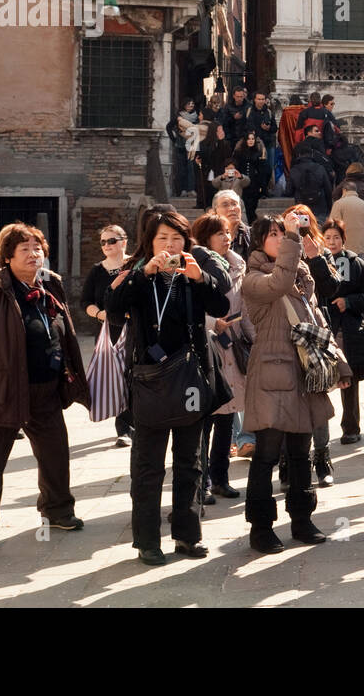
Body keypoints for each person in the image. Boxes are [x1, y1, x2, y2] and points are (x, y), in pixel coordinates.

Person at [105, 210, 231, 565]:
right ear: (150, 242)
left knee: (190, 462)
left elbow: (222, 304)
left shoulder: (193, 271)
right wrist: (143, 275)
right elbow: (112, 309)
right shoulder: (136, 273)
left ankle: (187, 535)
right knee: (148, 466)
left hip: (190, 378)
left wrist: (201, 278)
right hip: (150, 380)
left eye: (176, 238)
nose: (170, 245)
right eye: (163, 238)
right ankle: (147, 540)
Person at [0, 223, 90, 550]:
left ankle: (58, 510)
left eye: (38, 248)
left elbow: (62, 331)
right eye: (25, 249)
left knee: (55, 453)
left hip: (46, 390)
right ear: (8, 256)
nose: (33, 254)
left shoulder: (51, 284)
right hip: (2, 392)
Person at [241, 213, 353, 552]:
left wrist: (342, 368)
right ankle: (261, 528)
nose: (280, 239)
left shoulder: (302, 281)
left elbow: (318, 326)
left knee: (301, 454)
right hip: (272, 376)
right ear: (259, 242)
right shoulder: (253, 279)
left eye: (282, 234)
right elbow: (277, 283)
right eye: (272, 234)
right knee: (267, 454)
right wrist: (293, 237)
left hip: (303, 376)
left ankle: (302, 519)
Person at [192, 213, 250, 501]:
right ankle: (199, 482)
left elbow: (245, 307)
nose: (226, 238)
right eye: (219, 234)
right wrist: (213, 324)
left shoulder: (238, 264)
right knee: (205, 420)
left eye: (227, 233)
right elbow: (190, 310)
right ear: (206, 239)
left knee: (228, 418)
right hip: (207, 347)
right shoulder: (194, 267)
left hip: (233, 347)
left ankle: (220, 478)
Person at [282, 204, 340, 486]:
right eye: (294, 218)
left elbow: (331, 288)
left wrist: (316, 258)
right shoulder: (279, 246)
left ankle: (322, 459)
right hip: (285, 330)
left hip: (316, 332)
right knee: (287, 398)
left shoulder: (321, 249)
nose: (300, 223)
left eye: (305, 218)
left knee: (317, 394)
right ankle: (287, 462)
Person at [321, 218, 364, 444]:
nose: (332, 242)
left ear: (343, 239)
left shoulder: (355, 262)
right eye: (328, 237)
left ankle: (351, 427)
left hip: (348, 330)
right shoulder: (316, 261)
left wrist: (349, 301)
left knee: (349, 381)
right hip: (325, 327)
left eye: (336, 237)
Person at [80, 224, 133, 447]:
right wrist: (101, 314)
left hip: (136, 327)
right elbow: (85, 302)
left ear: (124, 241)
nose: (106, 245)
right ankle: (124, 429)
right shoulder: (97, 270)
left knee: (136, 375)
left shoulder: (136, 265)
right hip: (109, 329)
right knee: (118, 377)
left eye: (111, 240)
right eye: (103, 242)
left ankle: (137, 423)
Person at [289, 126, 335, 220]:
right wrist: (330, 207)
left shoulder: (294, 170)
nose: (319, 133)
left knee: (304, 231)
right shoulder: (320, 168)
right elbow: (328, 189)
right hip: (320, 205)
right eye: (316, 131)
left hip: (301, 206)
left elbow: (289, 190)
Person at [248, 91, 281, 196]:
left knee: (268, 168)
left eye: (262, 99)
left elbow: (275, 128)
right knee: (256, 168)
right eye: (259, 99)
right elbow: (247, 127)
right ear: (255, 100)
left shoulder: (269, 112)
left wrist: (268, 128)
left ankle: (266, 189)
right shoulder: (250, 111)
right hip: (256, 144)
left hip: (268, 143)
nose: (261, 101)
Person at [232, 131, 268, 224]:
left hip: (254, 182)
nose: (251, 141)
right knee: (245, 204)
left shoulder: (258, 152)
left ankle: (251, 223)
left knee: (252, 205)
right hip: (242, 182)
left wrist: (262, 186)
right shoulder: (239, 152)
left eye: (252, 139)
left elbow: (261, 170)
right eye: (249, 139)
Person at [330, 179, 364, 255]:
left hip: (345, 242)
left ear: (344, 190)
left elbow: (333, 224)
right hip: (361, 242)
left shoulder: (338, 204)